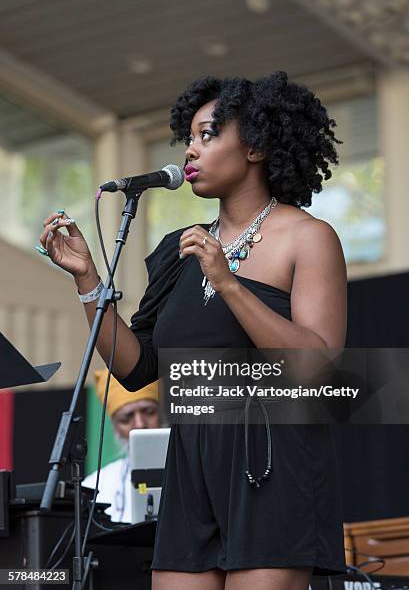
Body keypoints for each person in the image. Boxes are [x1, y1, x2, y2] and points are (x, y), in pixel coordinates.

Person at [39, 71, 347, 590]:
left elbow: (316, 365)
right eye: (189, 139)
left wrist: (228, 283)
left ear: (256, 147)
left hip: (267, 461)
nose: (190, 152)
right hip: (189, 466)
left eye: (208, 135)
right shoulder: (179, 248)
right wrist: (88, 281)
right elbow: (136, 367)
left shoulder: (308, 238)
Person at [82, 371, 160, 523]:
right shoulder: (96, 484)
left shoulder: (193, 471)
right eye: (126, 418)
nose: (140, 424)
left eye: (149, 412)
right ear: (115, 427)